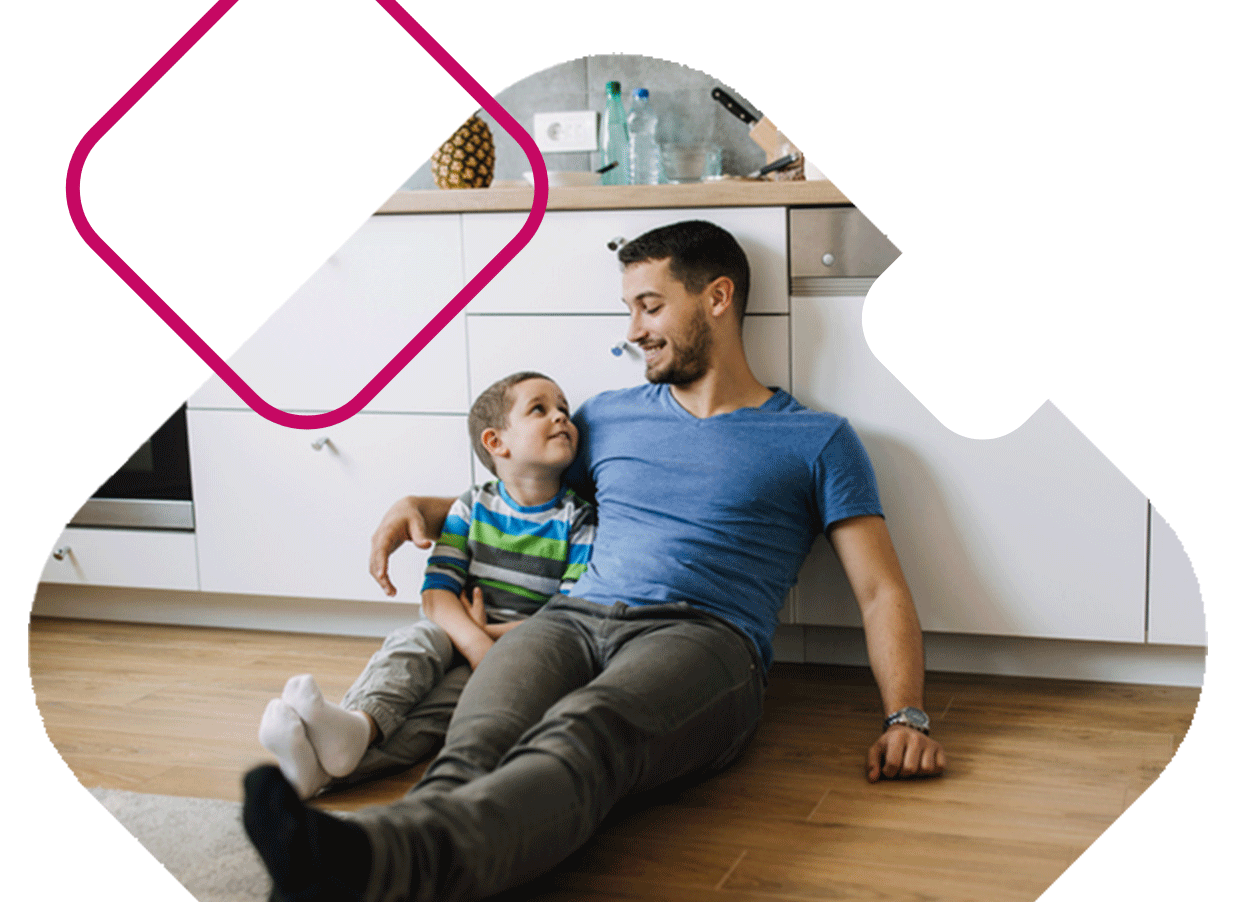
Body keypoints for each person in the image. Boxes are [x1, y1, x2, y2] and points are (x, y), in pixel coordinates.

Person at [243, 219, 947, 902]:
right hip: (569, 620)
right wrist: (426, 506)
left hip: (702, 638)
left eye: (649, 306)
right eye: (629, 309)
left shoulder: (815, 440)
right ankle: (362, 866)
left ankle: (374, 863)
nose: (633, 329)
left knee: (584, 732)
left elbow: (879, 589)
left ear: (717, 298)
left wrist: (905, 718)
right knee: (475, 743)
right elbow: (527, 492)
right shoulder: (605, 415)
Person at [255, 371, 595, 800]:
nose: (562, 417)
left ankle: (323, 774)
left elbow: (569, 612)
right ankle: (357, 722)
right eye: (540, 409)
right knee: (415, 645)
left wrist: (490, 639)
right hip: (454, 629)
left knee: (439, 717)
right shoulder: (470, 507)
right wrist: (474, 641)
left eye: (564, 409)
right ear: (496, 443)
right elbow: (437, 595)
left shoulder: (577, 519)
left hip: (523, 642)